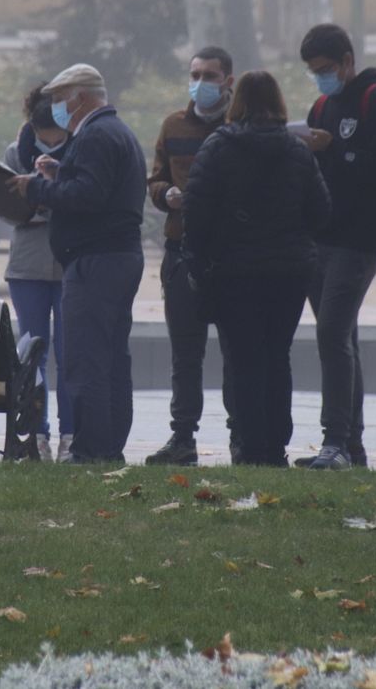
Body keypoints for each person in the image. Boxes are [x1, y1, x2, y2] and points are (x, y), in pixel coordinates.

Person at [183, 71, 329, 467]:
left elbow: (195, 213)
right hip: (288, 272)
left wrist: (197, 260)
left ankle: (250, 447)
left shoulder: (217, 148)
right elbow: (320, 211)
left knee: (243, 360)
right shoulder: (298, 151)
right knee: (277, 356)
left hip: (234, 272)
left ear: (237, 103)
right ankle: (276, 446)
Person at [8, 63, 145, 465]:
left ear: (80, 98)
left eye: (60, 100)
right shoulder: (114, 131)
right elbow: (94, 186)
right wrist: (61, 172)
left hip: (95, 262)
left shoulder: (96, 135)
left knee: (86, 360)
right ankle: (109, 446)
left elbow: (88, 197)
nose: (56, 109)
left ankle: (90, 449)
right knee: (111, 359)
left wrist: (37, 187)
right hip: (116, 258)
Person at [296, 23, 376, 470]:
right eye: (312, 71)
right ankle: (351, 446)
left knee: (332, 333)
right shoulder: (322, 104)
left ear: (347, 61)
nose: (320, 77)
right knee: (342, 337)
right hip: (322, 236)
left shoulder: (374, 99)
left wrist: (334, 152)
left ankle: (335, 440)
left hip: (359, 239)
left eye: (325, 68)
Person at [144, 46, 235, 466]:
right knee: (185, 354)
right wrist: (167, 195)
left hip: (231, 256)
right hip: (181, 252)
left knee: (237, 351)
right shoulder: (174, 125)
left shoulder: (239, 128)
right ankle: (183, 438)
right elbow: (156, 179)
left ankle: (242, 435)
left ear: (228, 81)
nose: (201, 83)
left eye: (210, 75)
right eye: (195, 74)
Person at [3, 84, 71, 462]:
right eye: (44, 137)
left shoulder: (78, 151)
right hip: (27, 263)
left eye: (56, 137)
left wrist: (49, 195)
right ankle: (37, 433)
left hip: (65, 263)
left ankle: (70, 434)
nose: (50, 143)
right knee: (33, 352)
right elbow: (5, 207)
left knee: (69, 350)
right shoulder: (16, 153)